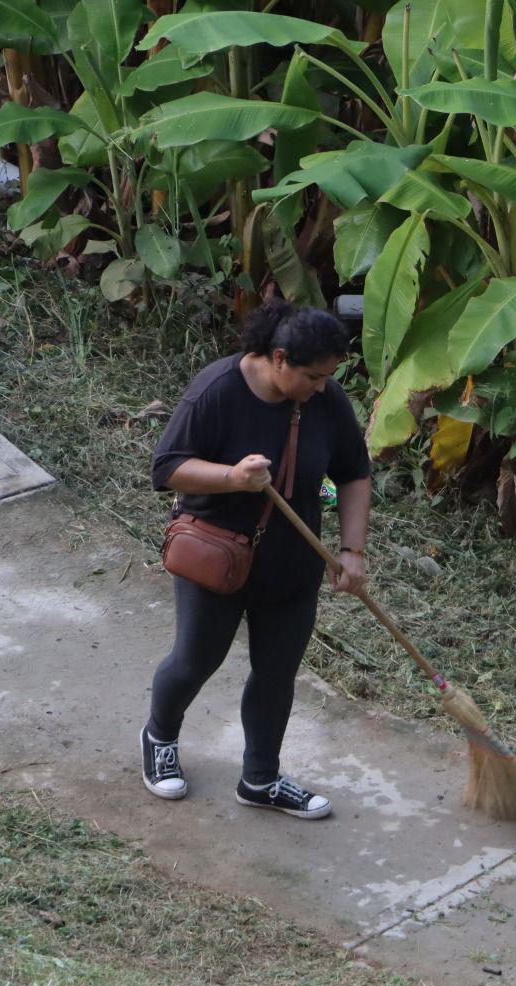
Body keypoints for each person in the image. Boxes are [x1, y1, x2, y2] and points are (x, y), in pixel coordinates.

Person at [141, 299, 371, 819]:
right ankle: (159, 736)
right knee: (197, 660)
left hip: (292, 563)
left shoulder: (325, 400)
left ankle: (261, 779)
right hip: (217, 559)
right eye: (314, 376)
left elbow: (355, 472)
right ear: (280, 359)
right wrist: (232, 478)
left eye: (329, 377)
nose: (322, 387)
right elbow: (168, 467)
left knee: (277, 671)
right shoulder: (217, 391)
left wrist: (352, 551)